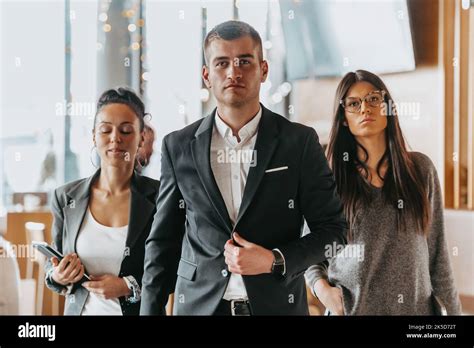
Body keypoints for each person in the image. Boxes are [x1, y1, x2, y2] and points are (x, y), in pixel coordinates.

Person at [140, 20, 347, 316]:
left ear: (263, 70)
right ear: (207, 75)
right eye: (222, 63)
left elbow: (334, 231)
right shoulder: (178, 146)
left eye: (244, 62)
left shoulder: (299, 142)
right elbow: (162, 243)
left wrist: (275, 260)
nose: (233, 72)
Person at [305, 70, 462, 315]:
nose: (365, 108)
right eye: (354, 104)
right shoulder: (330, 178)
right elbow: (310, 250)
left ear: (387, 107)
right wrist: (323, 292)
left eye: (373, 99)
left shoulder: (421, 170)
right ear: (344, 118)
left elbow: (438, 256)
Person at [44, 88, 160, 315]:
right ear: (94, 136)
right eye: (106, 130)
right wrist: (58, 275)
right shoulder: (66, 198)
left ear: (141, 138)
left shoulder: (160, 197)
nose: (115, 138)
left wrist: (127, 286)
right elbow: (53, 266)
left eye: (126, 131)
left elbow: (175, 269)